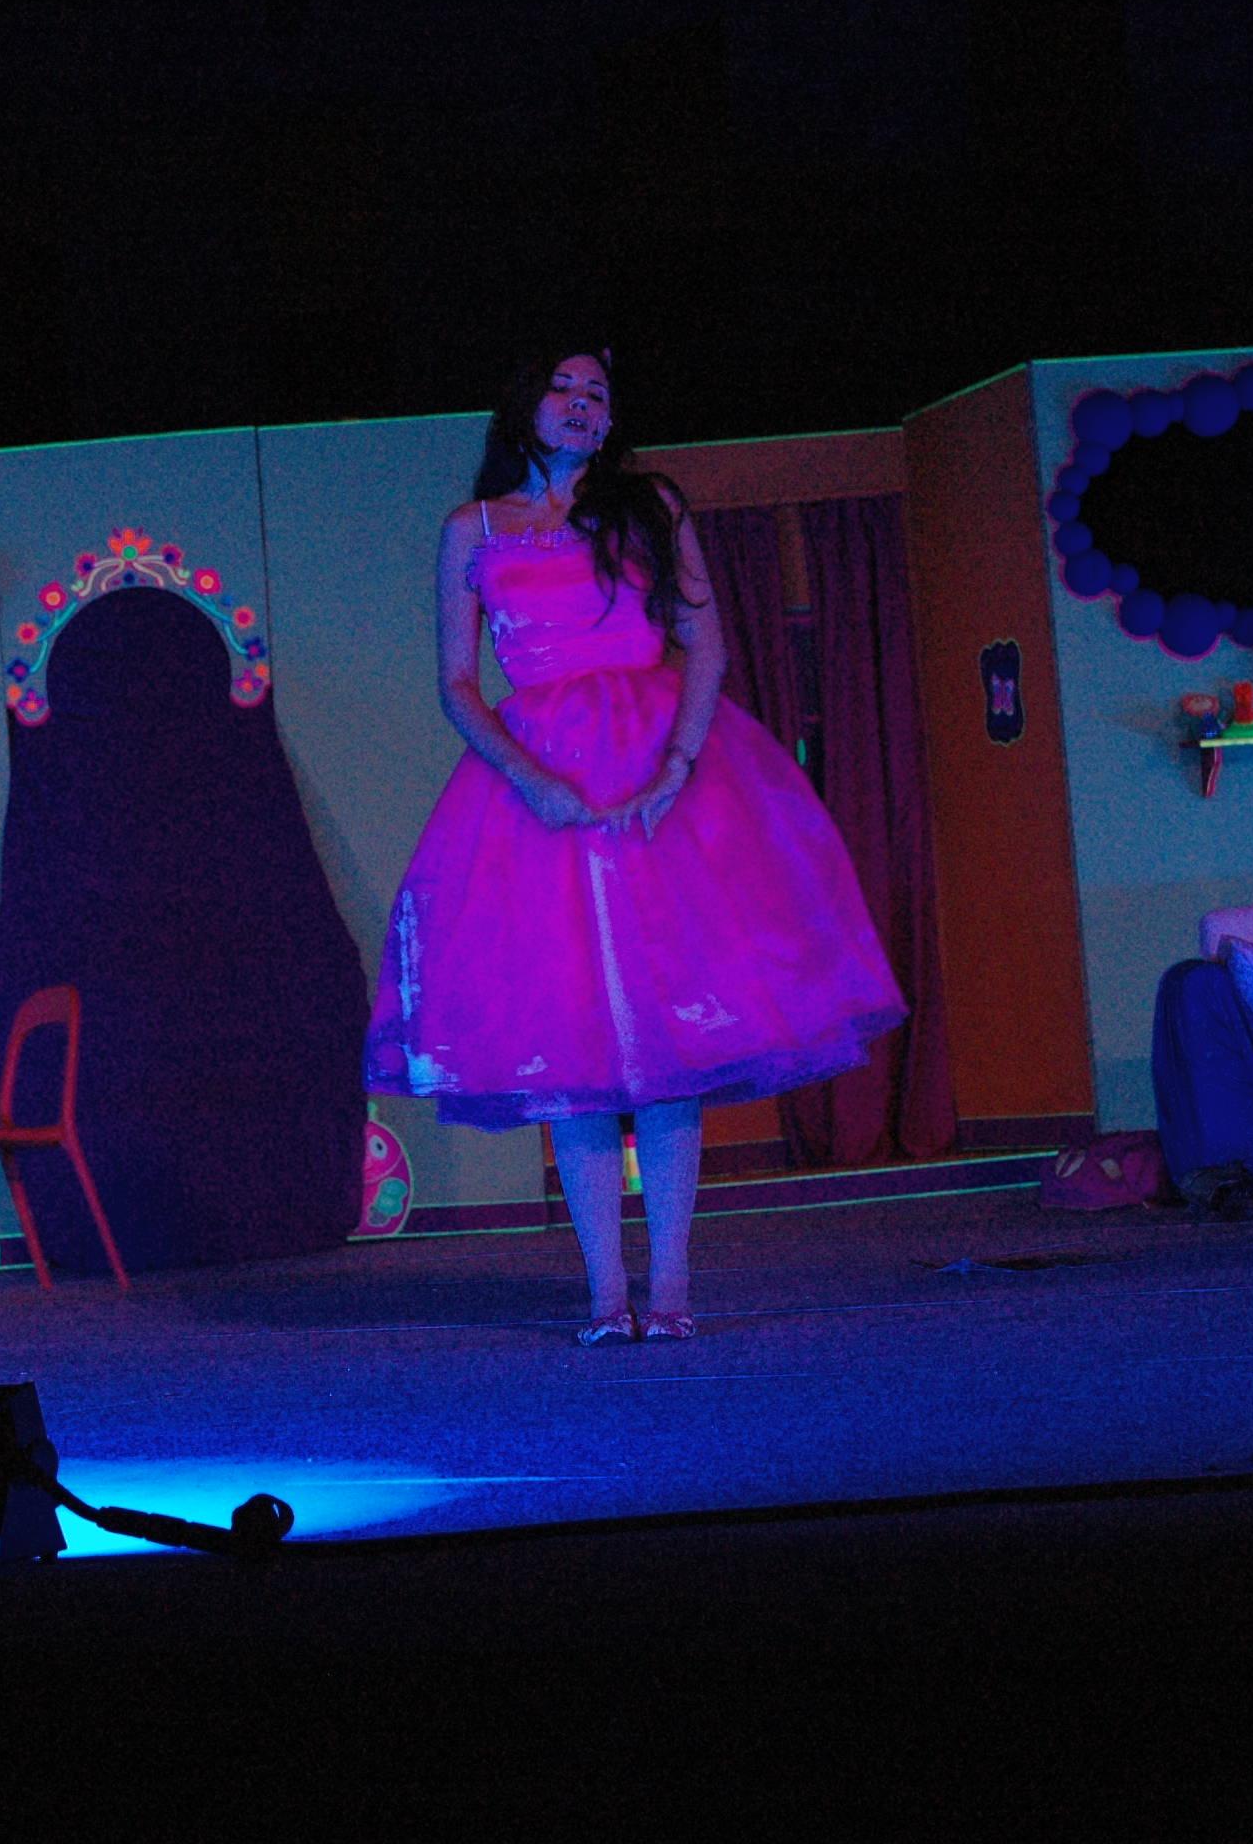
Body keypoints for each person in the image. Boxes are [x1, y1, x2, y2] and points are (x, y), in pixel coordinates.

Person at [365, 348, 906, 1342]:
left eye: (598, 395)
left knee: (668, 1048)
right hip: (540, 788)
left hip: (661, 772)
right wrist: (530, 779)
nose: (581, 405)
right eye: (563, 389)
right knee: (572, 1048)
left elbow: (707, 643)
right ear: (524, 406)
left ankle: (671, 1291)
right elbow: (456, 681)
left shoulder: (650, 506)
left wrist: (677, 767)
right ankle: (606, 1296)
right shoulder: (471, 528)